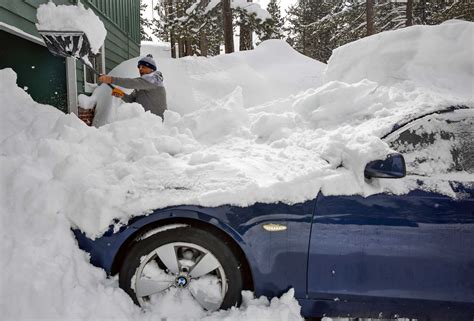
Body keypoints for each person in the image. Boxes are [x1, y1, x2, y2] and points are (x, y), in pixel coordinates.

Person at [98, 54, 167, 119]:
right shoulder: (143, 84)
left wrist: (110, 79)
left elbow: (131, 83)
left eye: (143, 67)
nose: (140, 69)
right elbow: (132, 100)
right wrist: (122, 95)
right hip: (145, 122)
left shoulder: (153, 80)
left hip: (156, 123)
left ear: (151, 69)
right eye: (139, 67)